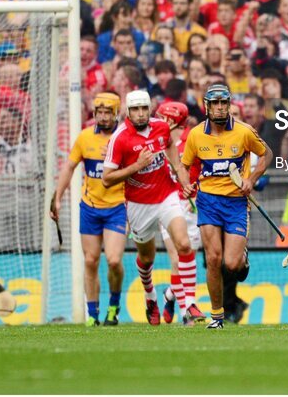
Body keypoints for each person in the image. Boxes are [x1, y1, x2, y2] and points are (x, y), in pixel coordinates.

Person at [102, 90, 199, 326]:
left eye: (144, 108)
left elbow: (174, 157)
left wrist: (183, 181)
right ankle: (151, 296)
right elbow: (107, 179)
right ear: (128, 111)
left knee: (184, 245)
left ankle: (189, 306)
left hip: (167, 196)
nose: (140, 113)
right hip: (138, 204)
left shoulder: (161, 128)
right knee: (147, 258)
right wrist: (137, 165)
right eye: (135, 109)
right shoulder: (120, 138)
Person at [181, 84, 273, 329]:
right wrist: (186, 184)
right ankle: (217, 316)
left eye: (224, 103)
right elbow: (184, 165)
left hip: (235, 203)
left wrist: (251, 180)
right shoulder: (196, 135)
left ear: (229, 105)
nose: (220, 108)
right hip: (208, 201)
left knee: (232, 264)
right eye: (215, 104)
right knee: (213, 259)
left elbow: (267, 155)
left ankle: (243, 257)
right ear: (207, 106)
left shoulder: (244, 132)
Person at [50, 92, 126, 326]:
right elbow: (69, 167)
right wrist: (58, 196)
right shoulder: (84, 138)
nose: (102, 117)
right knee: (91, 261)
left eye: (107, 113)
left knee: (113, 260)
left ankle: (113, 305)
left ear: (116, 114)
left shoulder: (123, 138)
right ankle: (93, 315)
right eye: (99, 112)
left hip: (117, 207)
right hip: (90, 208)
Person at [154, 99, 206, 326]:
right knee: (176, 257)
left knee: (186, 258)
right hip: (167, 204)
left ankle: (170, 295)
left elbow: (204, 171)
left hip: (191, 205)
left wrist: (197, 187)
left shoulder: (192, 140)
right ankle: (188, 312)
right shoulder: (155, 142)